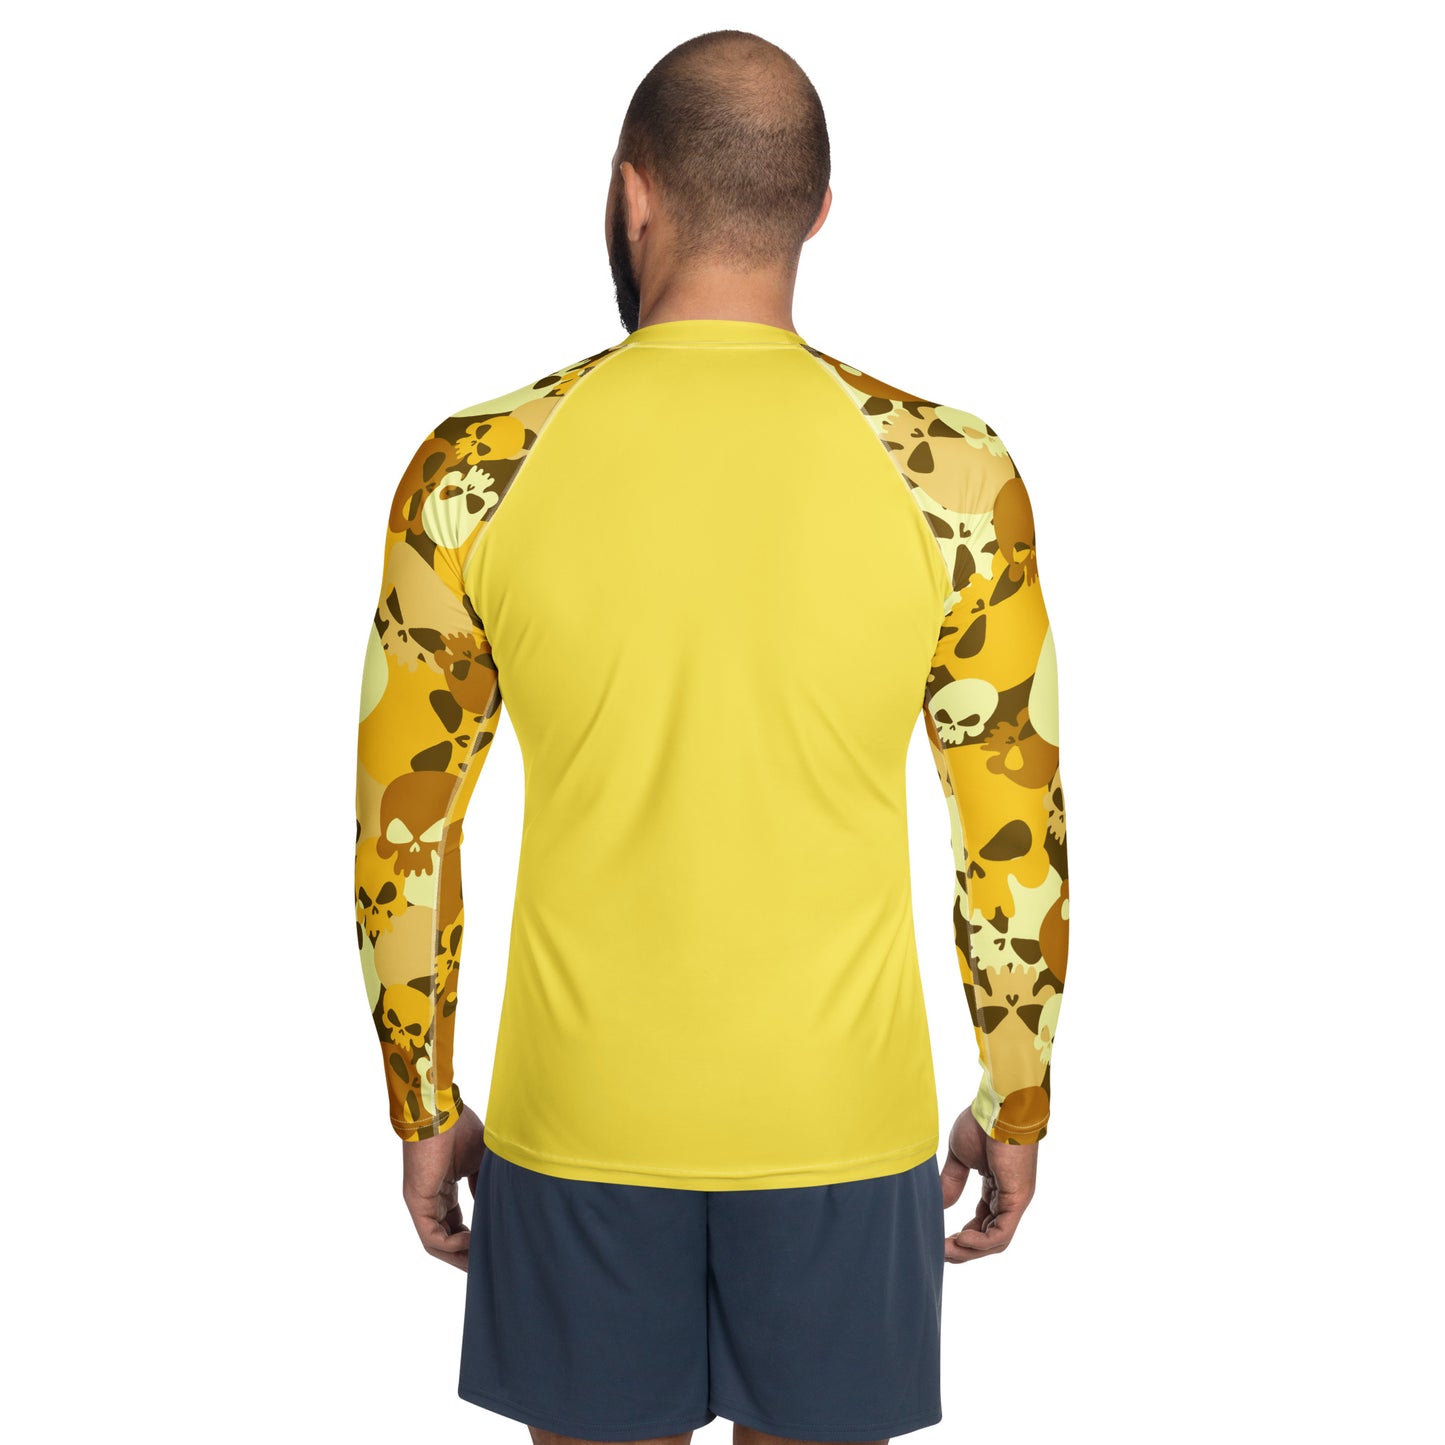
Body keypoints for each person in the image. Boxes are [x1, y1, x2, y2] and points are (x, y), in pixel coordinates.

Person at [352, 27, 1070, 1445]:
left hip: (577, 1129)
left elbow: (403, 836)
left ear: (634, 194)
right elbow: (1015, 838)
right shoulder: (952, 473)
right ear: (817, 208)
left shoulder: (475, 467)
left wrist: (420, 1102)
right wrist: (1017, 1095)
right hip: (841, 1130)